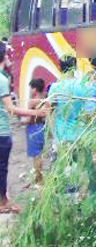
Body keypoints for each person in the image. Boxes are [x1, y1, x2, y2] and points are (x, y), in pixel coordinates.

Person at [0, 42, 47, 213]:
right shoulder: (3, 79)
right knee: (3, 167)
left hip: (20, 131)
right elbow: (11, 109)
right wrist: (34, 113)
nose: (9, 59)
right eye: (7, 55)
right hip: (3, 132)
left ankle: (4, 198)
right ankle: (3, 202)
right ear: (3, 57)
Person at [48, 55, 87, 145]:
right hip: (81, 134)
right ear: (75, 67)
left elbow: (49, 111)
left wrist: (52, 132)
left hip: (62, 135)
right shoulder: (84, 85)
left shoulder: (55, 87)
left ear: (60, 68)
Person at [26, 78, 49, 185]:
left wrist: (22, 120)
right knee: (39, 153)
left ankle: (39, 179)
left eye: (31, 88)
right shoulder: (45, 99)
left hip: (33, 128)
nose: (30, 90)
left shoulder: (32, 102)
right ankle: (38, 176)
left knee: (36, 156)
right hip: (42, 127)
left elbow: (28, 118)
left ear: (34, 89)